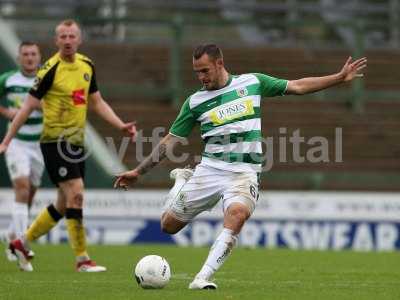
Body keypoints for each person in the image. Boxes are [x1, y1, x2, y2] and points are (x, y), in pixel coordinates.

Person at [114, 44, 367, 289]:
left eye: (205, 70)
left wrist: (339, 77)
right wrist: (139, 171)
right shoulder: (195, 102)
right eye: (197, 72)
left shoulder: (252, 82)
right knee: (168, 226)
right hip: (210, 171)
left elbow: (298, 86)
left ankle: (202, 278)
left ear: (219, 63)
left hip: (243, 174)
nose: (201, 77)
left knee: (237, 215)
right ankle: (182, 180)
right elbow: (171, 141)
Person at [0, 19, 136, 272]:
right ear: (56, 41)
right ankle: (82, 259)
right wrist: (7, 140)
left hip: (75, 143)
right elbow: (27, 107)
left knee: (64, 204)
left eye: (72, 36)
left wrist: (120, 126)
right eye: (62, 36)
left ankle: (21, 242)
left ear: (79, 39)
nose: (67, 40)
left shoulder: (87, 66)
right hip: (54, 142)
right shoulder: (49, 69)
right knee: (77, 192)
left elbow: (97, 102)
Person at [0, 42, 43, 262]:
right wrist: (8, 112)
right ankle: (20, 243)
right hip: (16, 142)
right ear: (18, 58)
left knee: (30, 193)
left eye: (33, 54)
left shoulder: (46, 79)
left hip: (40, 144)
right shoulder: (8, 79)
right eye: (25, 54)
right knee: (22, 188)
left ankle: (9, 235)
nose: (29, 58)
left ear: (39, 57)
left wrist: (41, 105)